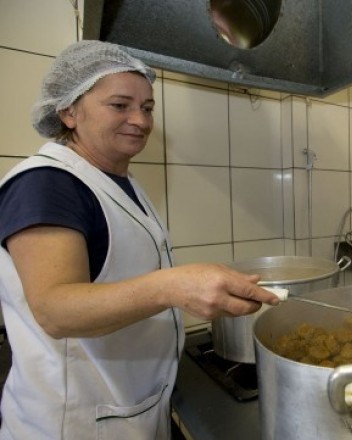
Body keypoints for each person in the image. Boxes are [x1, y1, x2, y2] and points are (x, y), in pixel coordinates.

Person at [0, 40, 280, 439]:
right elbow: (55, 309)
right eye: (120, 105)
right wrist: (175, 285)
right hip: (73, 425)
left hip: (128, 411)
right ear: (68, 111)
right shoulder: (47, 183)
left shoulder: (119, 180)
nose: (141, 120)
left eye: (147, 108)